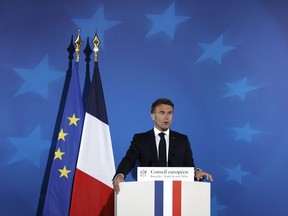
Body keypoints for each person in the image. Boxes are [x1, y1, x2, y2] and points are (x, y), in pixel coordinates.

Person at [113, 98, 213, 193]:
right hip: (148, 191)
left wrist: (196, 172)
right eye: (162, 113)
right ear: (153, 116)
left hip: (176, 193)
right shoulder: (140, 139)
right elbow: (129, 159)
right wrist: (120, 174)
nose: (166, 117)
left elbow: (188, 165)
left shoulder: (182, 140)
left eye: (170, 113)